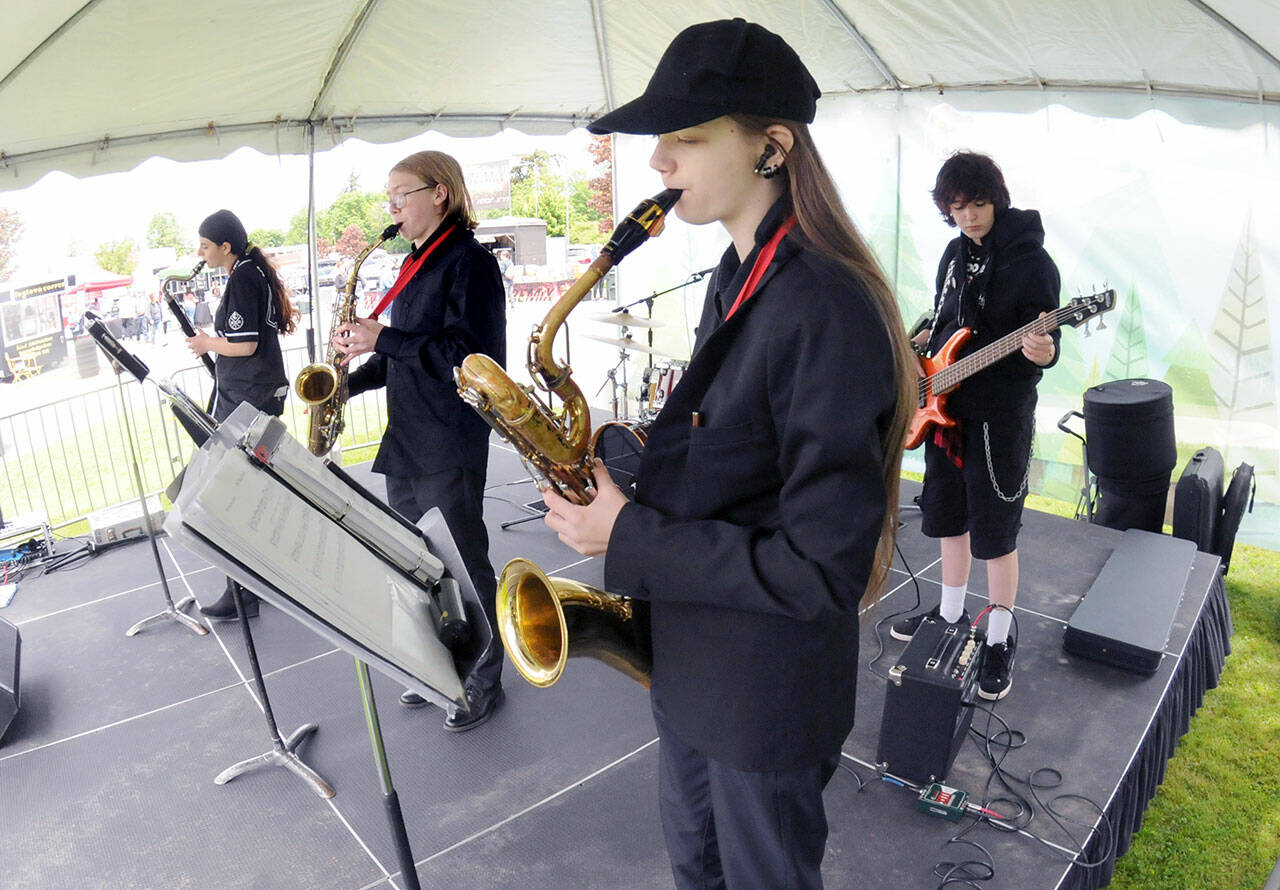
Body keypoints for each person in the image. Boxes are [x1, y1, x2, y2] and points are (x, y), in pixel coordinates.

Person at [544, 19, 915, 890]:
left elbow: (823, 570)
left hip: (763, 700)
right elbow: (738, 461)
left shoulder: (826, 304)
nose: (658, 163)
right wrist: (616, 454)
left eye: (687, 137)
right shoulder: (735, 273)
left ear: (772, 148)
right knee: (695, 871)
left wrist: (624, 536)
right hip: (695, 672)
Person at [332, 150, 507, 732]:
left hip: (448, 439)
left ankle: (486, 674)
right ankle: (445, 665)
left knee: (465, 563)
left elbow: (468, 357)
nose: (392, 207)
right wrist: (349, 381)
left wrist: (385, 337)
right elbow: (404, 351)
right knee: (420, 565)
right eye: (389, 198)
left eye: (401, 194)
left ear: (439, 193)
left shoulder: (470, 264)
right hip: (408, 437)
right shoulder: (414, 264)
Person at [889, 152, 1061, 702]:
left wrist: (1043, 350)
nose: (970, 217)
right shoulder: (954, 254)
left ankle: (999, 636)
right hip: (944, 409)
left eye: (978, 204)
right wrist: (918, 350)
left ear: (997, 198)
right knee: (947, 517)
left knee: (996, 528)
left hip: (999, 418)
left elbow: (1046, 343)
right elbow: (944, 322)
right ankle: (949, 614)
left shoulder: (1033, 262)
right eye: (958, 208)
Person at [187, 208, 298, 620]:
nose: (200, 253)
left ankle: (245, 592)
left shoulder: (244, 277)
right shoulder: (249, 272)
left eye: (204, 245)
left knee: (238, 492)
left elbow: (246, 344)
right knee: (254, 490)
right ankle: (258, 583)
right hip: (253, 395)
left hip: (248, 399)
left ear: (225, 247)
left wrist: (206, 344)